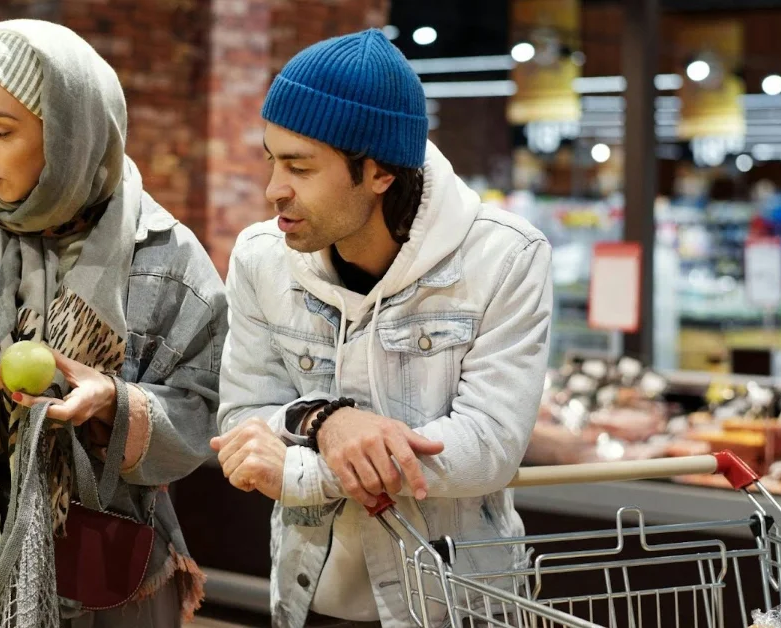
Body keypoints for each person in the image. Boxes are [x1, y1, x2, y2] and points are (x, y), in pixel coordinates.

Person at [0, 19, 226, 628]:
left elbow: (207, 414)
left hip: (109, 583)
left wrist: (113, 402)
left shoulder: (168, 262)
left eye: (1, 130)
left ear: (70, 133)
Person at [212, 29, 553, 628]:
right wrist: (326, 420)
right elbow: (243, 417)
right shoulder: (260, 258)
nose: (273, 190)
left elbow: (488, 446)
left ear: (379, 173)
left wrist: (303, 471)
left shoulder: (505, 257)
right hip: (308, 596)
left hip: (457, 603)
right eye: (272, 160)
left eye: (299, 167)